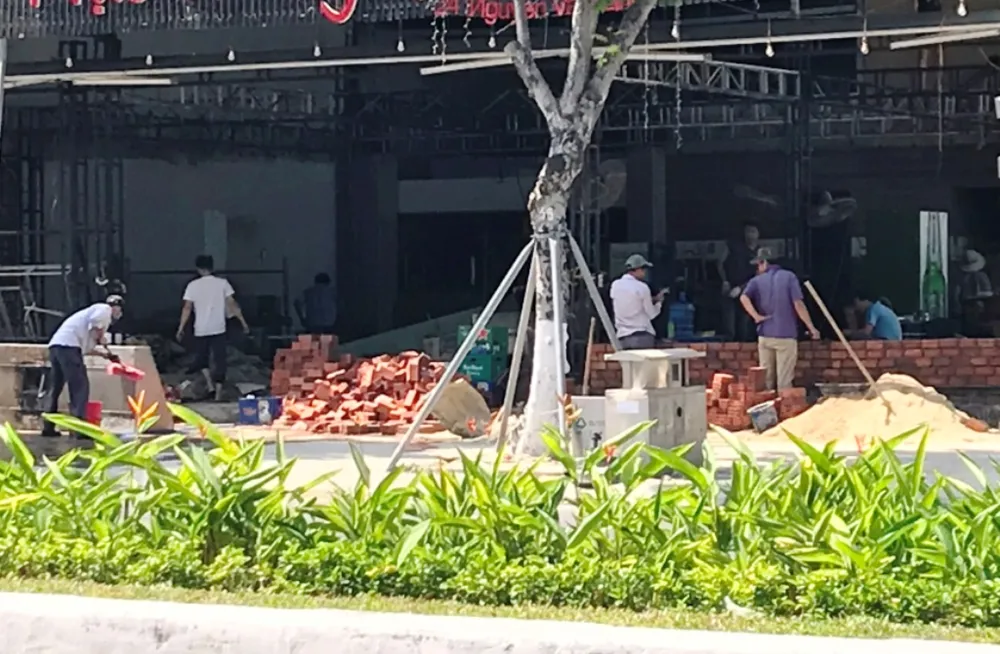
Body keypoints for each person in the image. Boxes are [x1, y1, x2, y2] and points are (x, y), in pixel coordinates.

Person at [41, 295, 124, 437]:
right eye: (119, 310)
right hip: (69, 347)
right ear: (116, 308)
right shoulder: (104, 309)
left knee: (55, 387)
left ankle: (48, 426)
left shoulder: (88, 316)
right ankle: (79, 429)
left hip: (57, 346)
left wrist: (105, 355)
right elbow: (96, 325)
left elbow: (85, 347)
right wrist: (102, 338)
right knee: (80, 387)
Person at [739, 248, 820, 390]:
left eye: (758, 264)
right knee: (784, 382)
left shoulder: (756, 280)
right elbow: (798, 304)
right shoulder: (789, 277)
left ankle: (768, 403)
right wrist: (812, 328)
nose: (757, 268)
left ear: (764, 262)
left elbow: (743, 297)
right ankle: (785, 403)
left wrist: (756, 316)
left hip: (765, 335)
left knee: (766, 382)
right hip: (786, 336)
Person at [175, 255, 249, 401]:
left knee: (201, 359)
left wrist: (180, 328)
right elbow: (232, 304)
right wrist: (243, 323)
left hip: (201, 328)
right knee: (220, 360)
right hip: (219, 328)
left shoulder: (192, 286)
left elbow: (187, 308)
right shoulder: (222, 283)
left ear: (198, 269)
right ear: (212, 267)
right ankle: (218, 393)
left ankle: (210, 385)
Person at [610, 254, 664, 350]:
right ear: (637, 269)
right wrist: (659, 303)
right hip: (642, 336)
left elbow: (628, 301)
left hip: (622, 337)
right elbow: (651, 314)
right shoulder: (642, 287)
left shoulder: (615, 285)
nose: (644, 272)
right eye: (643, 269)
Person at [720, 221, 760, 342]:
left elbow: (758, 276)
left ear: (758, 234)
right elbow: (720, 263)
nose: (750, 235)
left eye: (753, 232)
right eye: (747, 232)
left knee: (744, 329)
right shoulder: (733, 247)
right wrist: (724, 281)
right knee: (729, 330)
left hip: (748, 292)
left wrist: (741, 288)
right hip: (729, 290)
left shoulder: (760, 253)